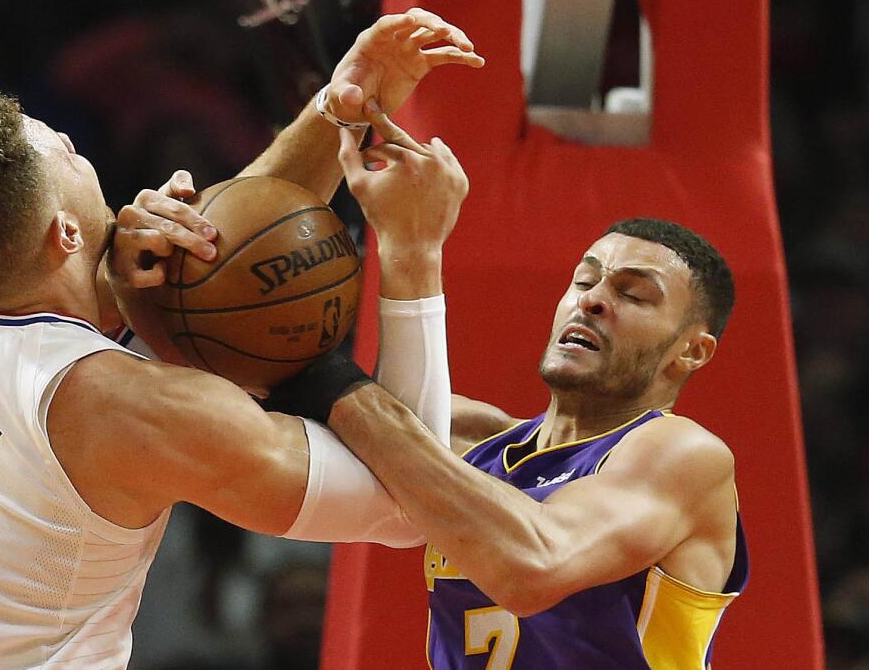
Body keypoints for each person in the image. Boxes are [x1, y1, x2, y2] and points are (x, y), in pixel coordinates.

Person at [0, 9, 482, 668]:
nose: (80, 147)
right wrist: (414, 252)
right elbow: (410, 504)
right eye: (66, 151)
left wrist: (340, 106)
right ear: (64, 235)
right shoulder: (133, 411)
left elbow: (241, 248)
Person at [287, 122, 750, 668]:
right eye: (584, 281)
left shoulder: (682, 455)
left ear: (691, 352)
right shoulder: (466, 439)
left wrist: (343, 387)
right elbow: (267, 401)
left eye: (632, 294)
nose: (593, 301)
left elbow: (533, 566)